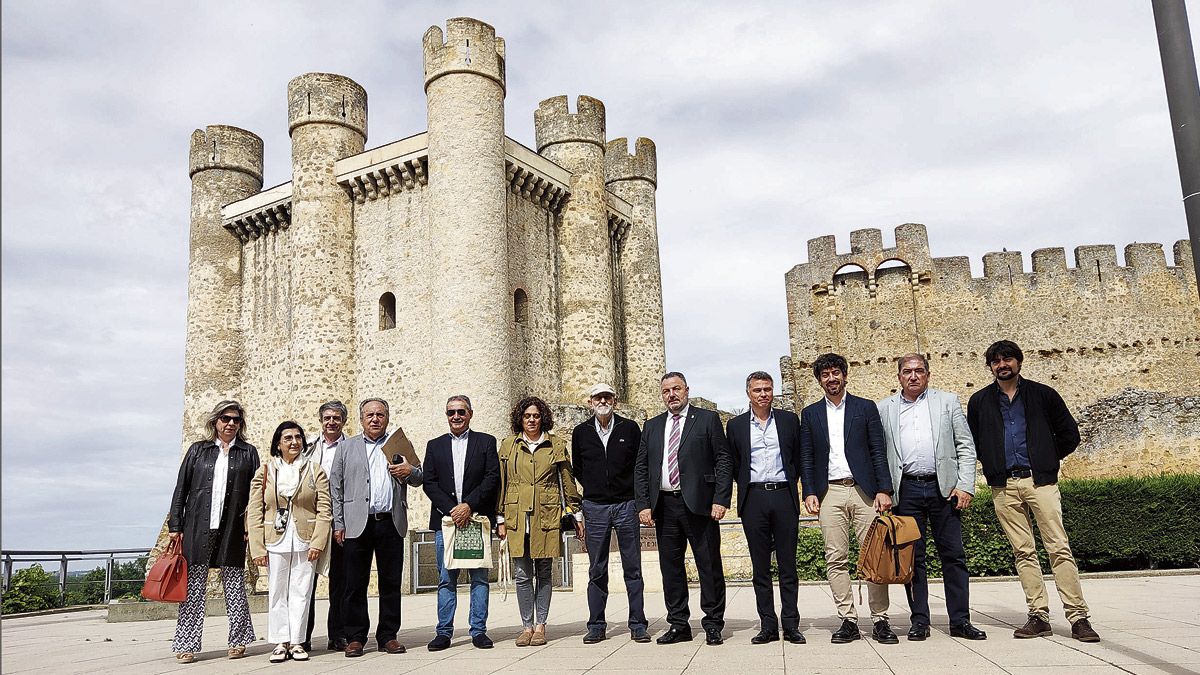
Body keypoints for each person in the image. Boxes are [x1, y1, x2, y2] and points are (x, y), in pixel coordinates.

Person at [966, 340, 1100, 642]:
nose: (1003, 364)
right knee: (1023, 552)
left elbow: (1069, 434)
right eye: (996, 360)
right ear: (990, 366)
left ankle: (1078, 617)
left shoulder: (1043, 395)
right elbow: (973, 442)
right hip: (1004, 485)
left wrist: (1046, 458)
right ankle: (1038, 615)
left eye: (1008, 359)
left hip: (1040, 482)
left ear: (1019, 362)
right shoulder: (979, 402)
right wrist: (993, 464)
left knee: (1059, 548)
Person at [876, 354, 986, 641]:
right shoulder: (884, 409)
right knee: (912, 559)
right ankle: (920, 621)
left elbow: (965, 444)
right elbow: (879, 453)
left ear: (928, 374)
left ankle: (960, 620)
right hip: (907, 490)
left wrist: (965, 485)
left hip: (944, 489)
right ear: (898, 376)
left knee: (954, 555)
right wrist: (884, 489)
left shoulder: (947, 402)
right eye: (907, 372)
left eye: (919, 371)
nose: (913, 376)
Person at [797, 353, 896, 644]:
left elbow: (878, 449)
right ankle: (848, 619)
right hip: (830, 492)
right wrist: (810, 491)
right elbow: (807, 455)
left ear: (844, 375)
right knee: (835, 557)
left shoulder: (865, 408)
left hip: (865, 491)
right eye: (825, 375)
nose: (831, 378)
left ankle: (880, 620)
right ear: (819, 380)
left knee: (874, 557)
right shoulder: (811, 414)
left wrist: (884, 489)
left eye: (835, 373)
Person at [634, 371, 733, 646]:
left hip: (700, 505)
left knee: (709, 566)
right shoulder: (652, 426)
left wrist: (721, 499)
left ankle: (713, 623)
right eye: (666, 391)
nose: (672, 395)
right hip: (665, 506)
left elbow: (723, 460)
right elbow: (641, 467)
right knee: (671, 568)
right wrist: (643, 504)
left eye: (676, 389)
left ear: (686, 390)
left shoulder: (706, 419)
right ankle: (678, 624)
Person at [167, 400, 260, 664]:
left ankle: (239, 640)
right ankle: (187, 643)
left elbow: (256, 496)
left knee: (234, 585)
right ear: (215, 421)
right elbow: (181, 490)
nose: (230, 423)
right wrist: (176, 525)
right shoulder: (198, 451)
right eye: (225, 418)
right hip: (197, 527)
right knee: (194, 586)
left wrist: (250, 527)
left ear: (241, 424)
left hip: (232, 528)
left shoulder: (248, 453)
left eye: (236, 419)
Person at [330, 398, 424, 657]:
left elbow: (420, 477)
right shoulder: (346, 448)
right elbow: (335, 488)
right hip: (356, 524)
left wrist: (409, 470)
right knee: (354, 583)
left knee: (391, 582)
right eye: (369, 415)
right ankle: (356, 637)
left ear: (387, 418)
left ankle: (388, 636)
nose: (375, 419)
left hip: (390, 522)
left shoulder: (399, 445)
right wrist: (339, 522)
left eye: (380, 415)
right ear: (361, 420)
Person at [496, 396, 583, 647]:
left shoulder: (555, 444)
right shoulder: (508, 445)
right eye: (527, 416)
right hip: (516, 515)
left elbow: (567, 480)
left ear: (542, 417)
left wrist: (576, 513)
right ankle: (526, 626)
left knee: (544, 572)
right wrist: (500, 517)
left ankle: (541, 625)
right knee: (522, 574)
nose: (532, 420)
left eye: (535, 416)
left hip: (546, 514)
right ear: (520, 419)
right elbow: (502, 483)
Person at [726, 371, 805, 645]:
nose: (763, 394)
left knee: (787, 566)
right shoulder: (735, 426)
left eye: (768, 389)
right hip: (754, 498)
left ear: (773, 392)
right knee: (760, 568)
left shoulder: (788, 421)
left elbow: (797, 457)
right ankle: (768, 625)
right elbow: (735, 464)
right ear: (748, 393)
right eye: (758, 390)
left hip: (784, 495)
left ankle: (792, 625)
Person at [571, 383, 650, 644]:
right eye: (598, 397)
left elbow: (640, 465)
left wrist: (638, 501)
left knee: (633, 566)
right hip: (595, 505)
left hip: (626, 504)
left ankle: (638, 623)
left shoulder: (629, 428)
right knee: (597, 568)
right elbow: (578, 469)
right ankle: (596, 624)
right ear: (590, 402)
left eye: (607, 396)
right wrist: (594, 491)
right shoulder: (581, 432)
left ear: (614, 401)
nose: (602, 401)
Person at [248, 421, 332, 663]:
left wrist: (318, 542)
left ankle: (296, 641)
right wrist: (257, 547)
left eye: (298, 437)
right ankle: (279, 642)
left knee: (302, 591)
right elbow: (255, 510)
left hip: (305, 539)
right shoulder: (265, 472)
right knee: (277, 591)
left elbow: (324, 509)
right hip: (275, 539)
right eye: (288, 438)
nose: (294, 442)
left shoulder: (314, 471)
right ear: (278, 443)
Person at [423, 395, 500, 651]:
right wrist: (452, 509)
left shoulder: (486, 442)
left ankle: (478, 631)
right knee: (447, 579)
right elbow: (429, 482)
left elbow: (492, 478)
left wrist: (469, 506)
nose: (456, 416)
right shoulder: (434, 446)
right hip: (446, 522)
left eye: (461, 412)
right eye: (451, 412)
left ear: (470, 414)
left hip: (476, 519)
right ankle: (444, 632)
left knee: (479, 577)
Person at [302, 400, 349, 652]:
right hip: (312, 520)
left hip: (340, 520)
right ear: (321, 420)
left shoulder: (352, 447)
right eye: (327, 418)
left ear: (344, 421)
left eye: (337, 418)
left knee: (340, 581)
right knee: (306, 579)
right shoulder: (307, 447)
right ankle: (303, 635)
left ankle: (338, 634)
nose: (332, 422)